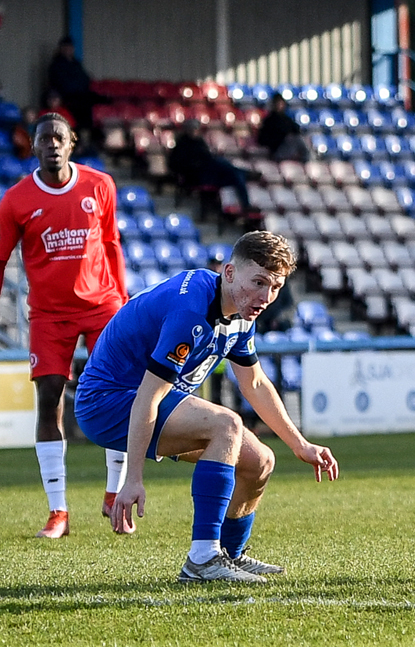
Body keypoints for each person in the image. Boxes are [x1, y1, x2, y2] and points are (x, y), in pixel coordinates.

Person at [74, 231, 338, 583]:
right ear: (229, 272)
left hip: (145, 399)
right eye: (258, 282)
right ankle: (202, 559)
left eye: (275, 287)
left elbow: (254, 383)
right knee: (226, 425)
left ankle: (230, 555)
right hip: (108, 402)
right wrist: (132, 478)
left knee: (260, 461)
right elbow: (147, 396)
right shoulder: (191, 311)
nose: (265, 297)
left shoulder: (241, 311)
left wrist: (300, 445)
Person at [0, 112, 130, 538]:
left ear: (72, 142)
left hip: (102, 305)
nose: (52, 144)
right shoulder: (15, 200)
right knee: (49, 400)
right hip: (49, 314)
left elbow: (111, 244)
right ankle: (58, 512)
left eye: (59, 137)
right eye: (44, 138)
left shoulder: (100, 185)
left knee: (119, 393)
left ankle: (114, 495)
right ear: (33, 146)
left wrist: (123, 301)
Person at [168, 119, 252, 214]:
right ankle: (246, 178)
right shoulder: (182, 145)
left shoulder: (199, 142)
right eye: (192, 128)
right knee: (231, 170)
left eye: (196, 128)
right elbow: (177, 165)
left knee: (236, 175)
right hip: (197, 175)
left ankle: (244, 203)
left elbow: (206, 156)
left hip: (210, 172)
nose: (194, 131)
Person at [46, 36, 109, 147]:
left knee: (100, 99)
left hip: (81, 95)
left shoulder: (76, 64)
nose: (68, 49)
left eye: (70, 47)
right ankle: (81, 139)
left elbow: (85, 80)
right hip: (67, 96)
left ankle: (97, 136)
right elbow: (62, 83)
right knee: (80, 107)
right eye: (65, 47)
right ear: (61, 48)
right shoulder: (56, 65)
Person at [257, 93, 310, 163]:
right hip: (277, 150)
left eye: (281, 103)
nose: (279, 105)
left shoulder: (287, 119)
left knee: (299, 139)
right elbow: (262, 139)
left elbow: (296, 130)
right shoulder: (269, 120)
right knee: (296, 139)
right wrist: (281, 138)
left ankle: (305, 159)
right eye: (277, 103)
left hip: (289, 147)